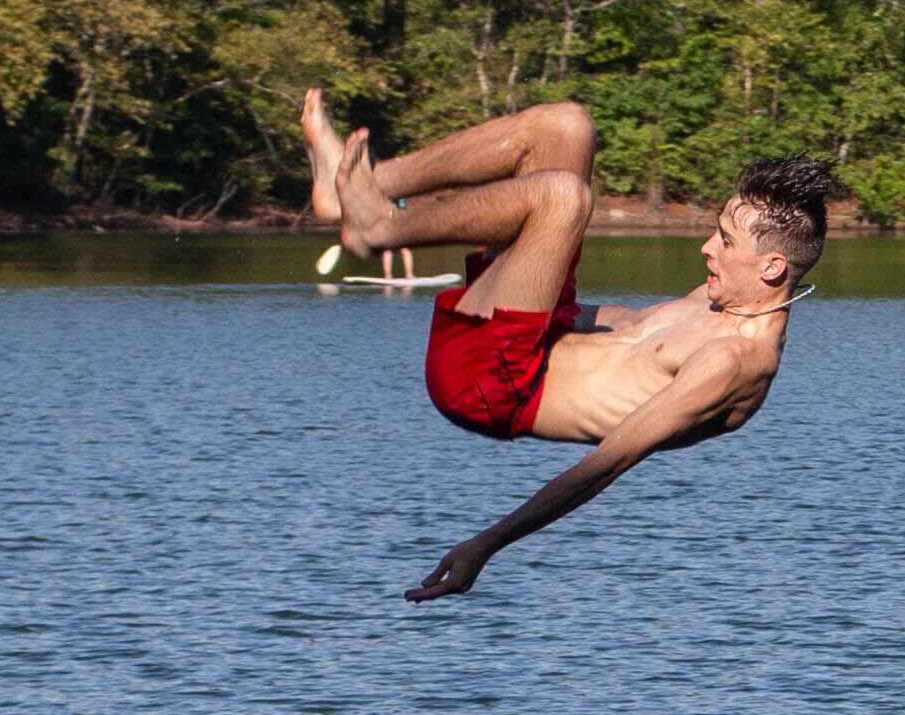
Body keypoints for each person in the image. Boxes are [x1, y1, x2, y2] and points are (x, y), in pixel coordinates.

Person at [301, 92, 841, 602]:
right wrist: (537, 274)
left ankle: (378, 228)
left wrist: (486, 545)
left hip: (493, 383)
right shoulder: (725, 298)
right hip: (537, 333)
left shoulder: (736, 363)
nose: (706, 248)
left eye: (724, 241)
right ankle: (360, 185)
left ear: (773, 267)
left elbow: (607, 463)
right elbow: (626, 331)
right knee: (564, 127)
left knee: (563, 197)